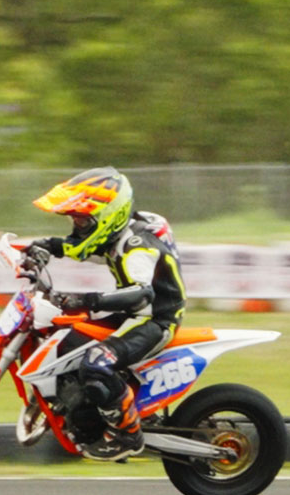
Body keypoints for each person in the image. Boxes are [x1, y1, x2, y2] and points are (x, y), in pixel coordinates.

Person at [23, 167, 186, 461]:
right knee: (66, 338)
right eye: (74, 218)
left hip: (154, 319)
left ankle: (128, 435)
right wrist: (46, 246)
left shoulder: (137, 246)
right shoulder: (114, 235)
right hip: (132, 314)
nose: (77, 225)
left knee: (97, 363)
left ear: (108, 216)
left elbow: (142, 293)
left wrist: (87, 300)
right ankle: (79, 407)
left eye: (83, 219)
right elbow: (83, 248)